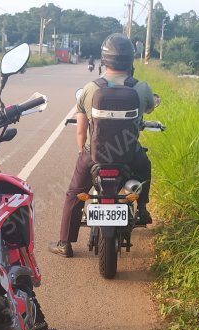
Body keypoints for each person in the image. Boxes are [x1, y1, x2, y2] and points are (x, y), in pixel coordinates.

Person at [49, 33, 155, 258]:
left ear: (104, 59)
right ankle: (142, 209)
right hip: (129, 154)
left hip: (95, 155)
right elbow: (148, 108)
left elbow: (81, 131)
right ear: (130, 60)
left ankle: (64, 243)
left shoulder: (90, 89)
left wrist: (84, 153)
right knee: (145, 167)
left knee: (74, 193)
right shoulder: (142, 88)